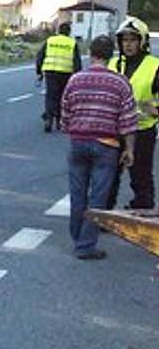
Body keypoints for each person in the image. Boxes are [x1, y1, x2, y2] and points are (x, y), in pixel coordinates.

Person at [60, 34, 136, 260]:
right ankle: (85, 245)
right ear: (111, 55)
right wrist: (129, 149)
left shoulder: (75, 80)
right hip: (106, 145)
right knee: (98, 197)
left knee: (77, 193)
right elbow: (128, 120)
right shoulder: (120, 82)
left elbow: (65, 111)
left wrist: (72, 130)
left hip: (78, 142)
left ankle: (77, 238)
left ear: (90, 54)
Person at [106, 16, 159, 210]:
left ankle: (143, 209)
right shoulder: (112, 64)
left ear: (142, 41)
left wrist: (155, 110)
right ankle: (105, 213)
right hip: (114, 129)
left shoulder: (154, 65)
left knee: (141, 175)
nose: (128, 45)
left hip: (142, 130)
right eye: (125, 40)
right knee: (109, 176)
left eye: (133, 40)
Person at [36, 22, 82, 132]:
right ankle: (59, 121)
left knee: (51, 96)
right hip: (65, 73)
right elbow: (77, 62)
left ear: (59, 30)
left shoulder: (50, 41)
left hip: (50, 72)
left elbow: (40, 56)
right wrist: (77, 77)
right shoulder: (72, 43)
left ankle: (49, 120)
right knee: (62, 97)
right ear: (69, 32)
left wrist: (39, 72)